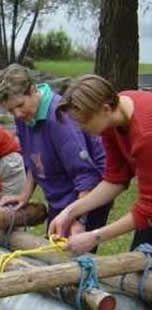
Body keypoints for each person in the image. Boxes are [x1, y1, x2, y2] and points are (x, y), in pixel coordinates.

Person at [0, 64, 110, 235]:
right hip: (61, 199)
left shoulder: (60, 119)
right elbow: (34, 159)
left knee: (69, 256)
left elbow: (86, 175)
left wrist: (78, 220)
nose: (17, 114)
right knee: (51, 252)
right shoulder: (25, 117)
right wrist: (25, 195)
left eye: (20, 105)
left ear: (32, 90)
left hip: (86, 199)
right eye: (10, 110)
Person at [49, 74, 152, 254]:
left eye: (83, 121)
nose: (81, 128)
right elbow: (116, 178)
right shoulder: (115, 115)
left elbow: (148, 211)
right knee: (139, 264)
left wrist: (95, 236)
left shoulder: (146, 134)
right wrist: (70, 211)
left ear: (104, 109)